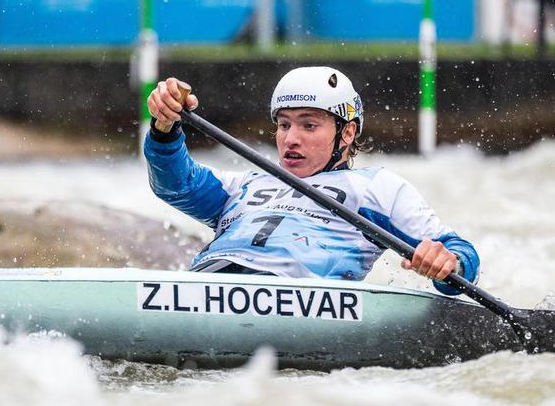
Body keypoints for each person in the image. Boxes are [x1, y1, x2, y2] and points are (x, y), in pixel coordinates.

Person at [144, 69, 479, 293]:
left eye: (308, 126)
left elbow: (459, 255)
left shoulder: (377, 188)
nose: (290, 139)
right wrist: (165, 127)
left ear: (346, 133)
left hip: (300, 297)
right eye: (284, 125)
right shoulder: (244, 183)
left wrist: (448, 263)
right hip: (208, 283)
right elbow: (175, 184)